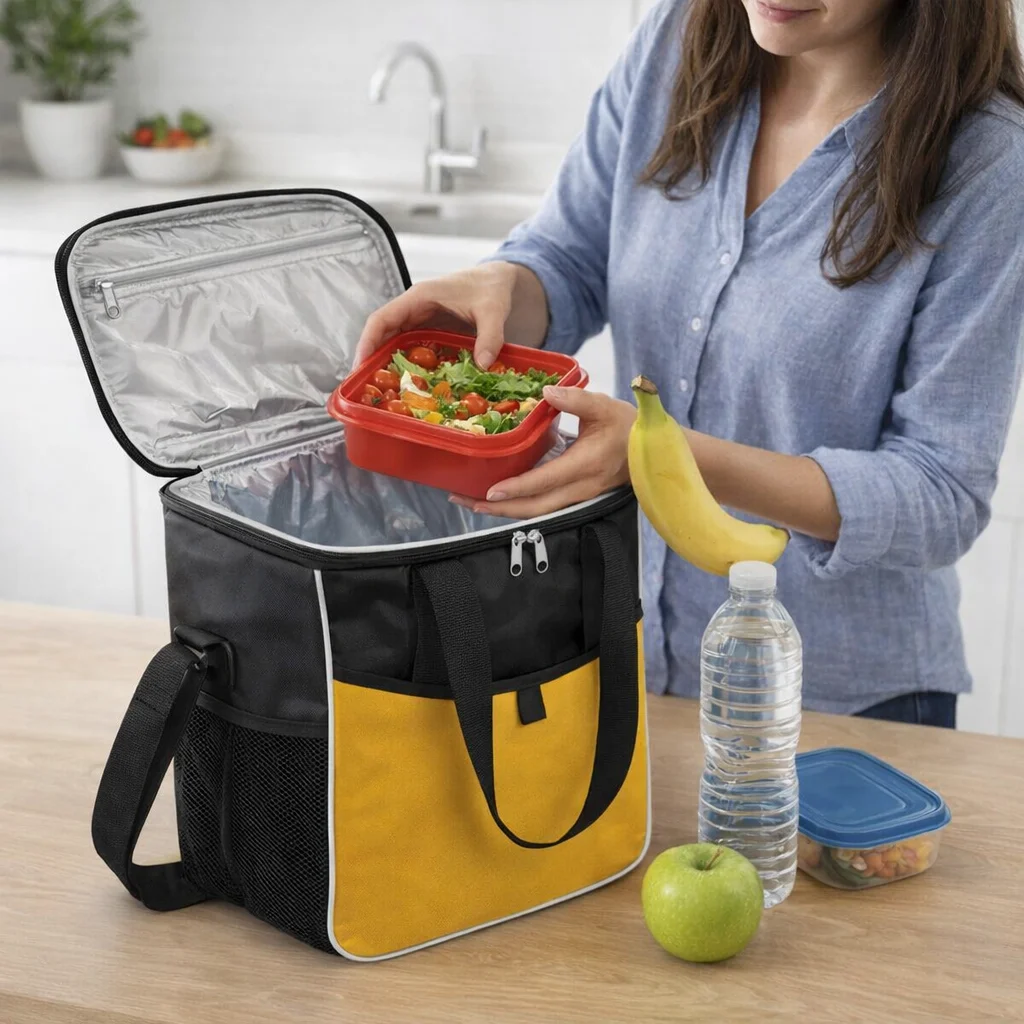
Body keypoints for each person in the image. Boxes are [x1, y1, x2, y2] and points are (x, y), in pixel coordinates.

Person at [355, 0, 1024, 728]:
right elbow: (570, 260)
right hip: (630, 655)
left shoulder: (988, 161)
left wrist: (660, 454)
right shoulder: (675, 43)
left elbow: (941, 492)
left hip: (840, 701)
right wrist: (502, 291)